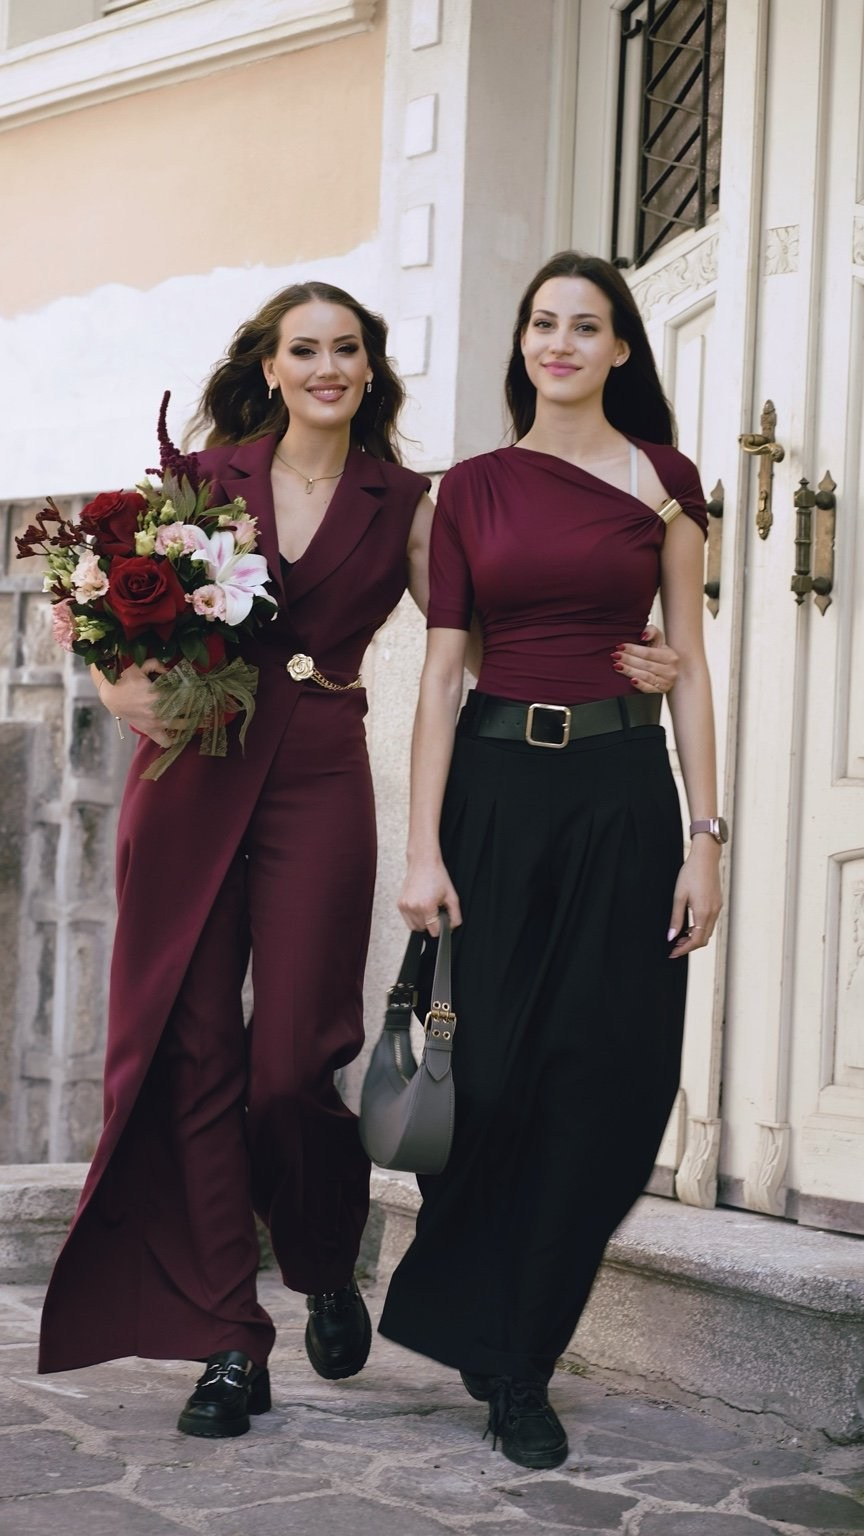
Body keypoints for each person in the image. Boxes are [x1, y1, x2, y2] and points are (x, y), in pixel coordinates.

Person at [38, 278, 678, 1440]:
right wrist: (109, 681)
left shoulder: (412, 503)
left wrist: (629, 657)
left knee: (294, 1060)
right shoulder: (199, 480)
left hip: (320, 773)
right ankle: (231, 1337)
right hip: (189, 772)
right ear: (271, 367)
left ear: (372, 371)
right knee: (192, 1053)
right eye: (305, 350)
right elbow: (88, 602)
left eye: (349, 349)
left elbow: (488, 631)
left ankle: (326, 1260)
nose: (328, 366)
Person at [380, 252, 724, 1472]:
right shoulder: (466, 490)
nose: (562, 343)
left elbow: (688, 664)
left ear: (623, 348)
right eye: (544, 324)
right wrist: (419, 849)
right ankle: (484, 1311)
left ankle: (521, 1359)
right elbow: (438, 676)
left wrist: (706, 836)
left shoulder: (667, 483)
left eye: (588, 326)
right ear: (522, 343)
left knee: (609, 1081)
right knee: (489, 1079)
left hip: (627, 802)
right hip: (496, 797)